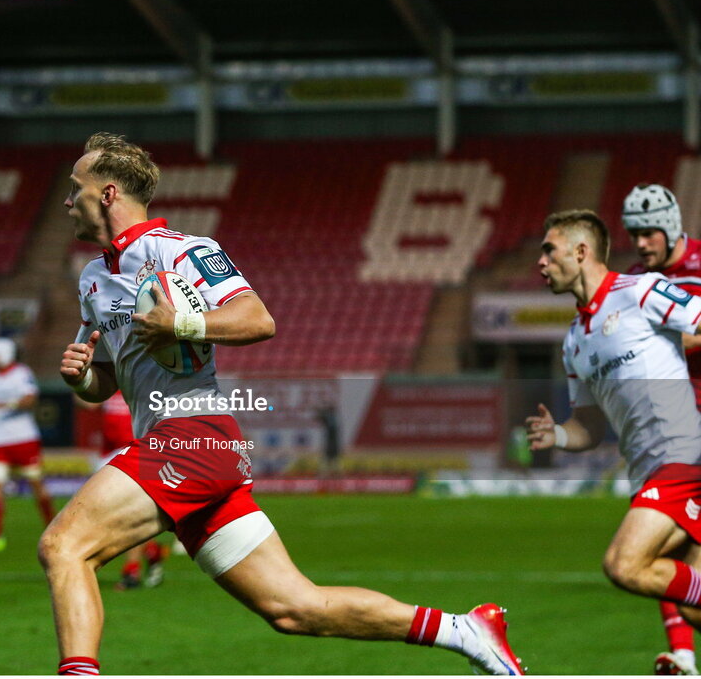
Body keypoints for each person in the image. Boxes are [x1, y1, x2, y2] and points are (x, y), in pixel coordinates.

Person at [39, 132, 524, 676]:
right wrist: (83, 380)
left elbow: (257, 320)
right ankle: (463, 628)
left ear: (106, 194)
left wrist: (179, 321)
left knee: (64, 546)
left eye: (74, 188)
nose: (66, 201)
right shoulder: (93, 278)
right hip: (177, 444)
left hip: (194, 437)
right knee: (294, 607)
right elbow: (105, 382)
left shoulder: (184, 251)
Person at [528, 209, 701, 674]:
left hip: (684, 456)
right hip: (650, 472)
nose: (540, 262)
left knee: (624, 564)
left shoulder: (640, 290)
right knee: (689, 606)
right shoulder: (574, 342)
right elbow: (590, 426)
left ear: (581, 252)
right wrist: (559, 434)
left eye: (549, 250)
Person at [623, 184, 701, 675]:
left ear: (671, 226)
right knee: (668, 557)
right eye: (634, 234)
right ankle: (686, 658)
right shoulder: (634, 282)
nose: (642, 243)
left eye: (649, 232)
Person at [0, 337, 55, 553]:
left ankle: (55, 529)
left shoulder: (22, 373)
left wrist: (8, 404)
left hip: (24, 438)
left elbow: (31, 399)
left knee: (36, 483)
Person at [81, 390, 169, 589]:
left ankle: (132, 571)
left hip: (136, 450)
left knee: (132, 514)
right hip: (108, 453)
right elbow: (88, 403)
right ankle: (152, 550)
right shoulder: (110, 383)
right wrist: (76, 379)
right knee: (104, 516)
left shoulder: (144, 383)